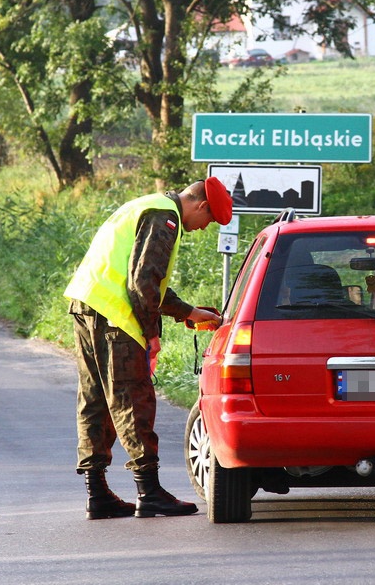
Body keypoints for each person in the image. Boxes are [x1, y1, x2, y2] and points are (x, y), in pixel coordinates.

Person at [64, 177, 232, 519]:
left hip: (88, 305)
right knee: (132, 397)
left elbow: (145, 279)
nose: (204, 228)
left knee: (95, 398)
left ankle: (97, 494)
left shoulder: (148, 205)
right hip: (115, 317)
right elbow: (142, 284)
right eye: (210, 220)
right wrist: (151, 334)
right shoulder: (165, 218)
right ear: (201, 206)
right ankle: (149, 491)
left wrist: (188, 312)